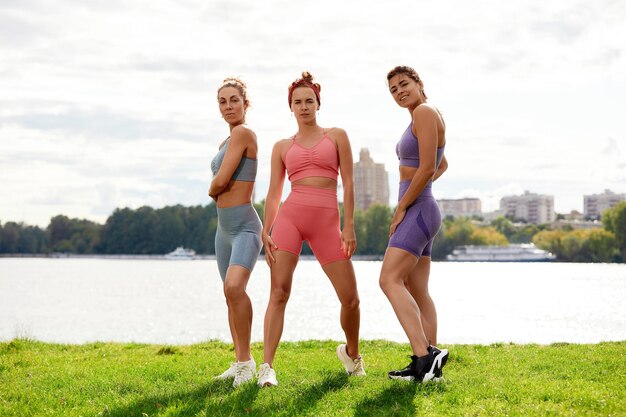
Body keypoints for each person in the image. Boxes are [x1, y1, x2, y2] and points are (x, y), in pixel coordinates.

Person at [257, 71, 365, 387]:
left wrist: (349, 225)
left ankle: (352, 355)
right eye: (297, 102)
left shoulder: (337, 136)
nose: (303, 107)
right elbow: (275, 193)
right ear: (290, 107)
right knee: (278, 292)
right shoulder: (280, 146)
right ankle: (267, 368)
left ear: (318, 103)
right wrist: (267, 230)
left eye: (309, 101)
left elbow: (349, 183)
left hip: (328, 223)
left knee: (351, 299)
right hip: (290, 220)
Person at [379, 66, 449, 382]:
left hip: (418, 210)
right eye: (393, 89)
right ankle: (429, 367)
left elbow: (428, 167)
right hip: (424, 208)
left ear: (419, 84)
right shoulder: (422, 116)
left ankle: (424, 355)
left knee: (389, 279)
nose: (399, 91)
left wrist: (402, 206)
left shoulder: (424, 111)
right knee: (417, 289)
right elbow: (441, 163)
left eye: (404, 84)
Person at [209, 77, 262, 387]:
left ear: (246, 104)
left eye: (234, 100)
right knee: (230, 296)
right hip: (223, 230)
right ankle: (240, 360)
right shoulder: (224, 142)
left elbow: (221, 181)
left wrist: (212, 188)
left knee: (234, 287)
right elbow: (222, 182)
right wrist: (218, 189)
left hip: (244, 226)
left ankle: (247, 364)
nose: (228, 106)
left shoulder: (244, 133)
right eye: (222, 102)